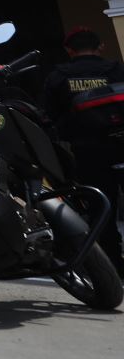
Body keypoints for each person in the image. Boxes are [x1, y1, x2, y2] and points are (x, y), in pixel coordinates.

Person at [42, 25, 124, 271]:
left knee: (101, 207)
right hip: (122, 141)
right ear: (100, 46)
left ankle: (114, 263)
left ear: (69, 50)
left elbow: (48, 117)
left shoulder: (58, 76)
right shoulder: (117, 69)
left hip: (88, 150)